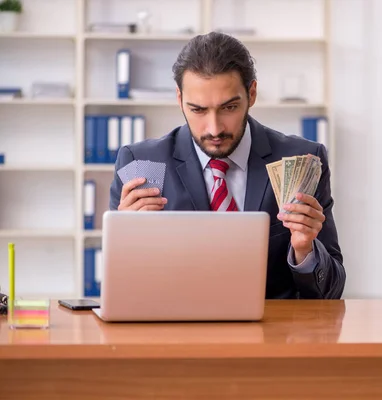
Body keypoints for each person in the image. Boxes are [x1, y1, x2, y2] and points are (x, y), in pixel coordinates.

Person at [108, 32, 346, 299]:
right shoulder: (141, 165)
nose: (214, 129)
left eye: (229, 107)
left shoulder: (303, 159)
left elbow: (331, 293)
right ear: (179, 99)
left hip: (273, 334)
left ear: (251, 94)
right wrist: (129, 245)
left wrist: (305, 251)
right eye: (198, 110)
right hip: (176, 331)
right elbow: (122, 292)